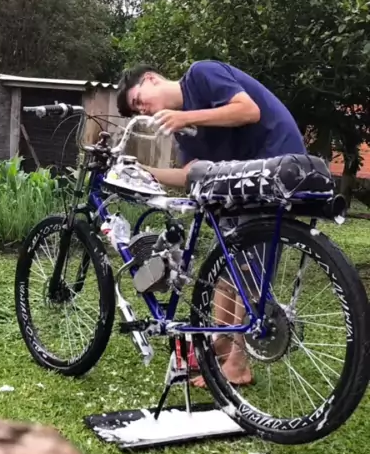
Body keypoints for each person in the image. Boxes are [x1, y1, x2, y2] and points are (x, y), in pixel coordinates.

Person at [116, 60, 307, 387]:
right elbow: (191, 175)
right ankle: (222, 345)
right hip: (242, 183)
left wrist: (186, 117)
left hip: (278, 166)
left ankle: (238, 365)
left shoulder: (200, 75)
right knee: (224, 266)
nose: (143, 111)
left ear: (151, 79)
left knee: (248, 272)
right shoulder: (183, 131)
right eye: (137, 111)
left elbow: (248, 110)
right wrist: (143, 172)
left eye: (138, 101)